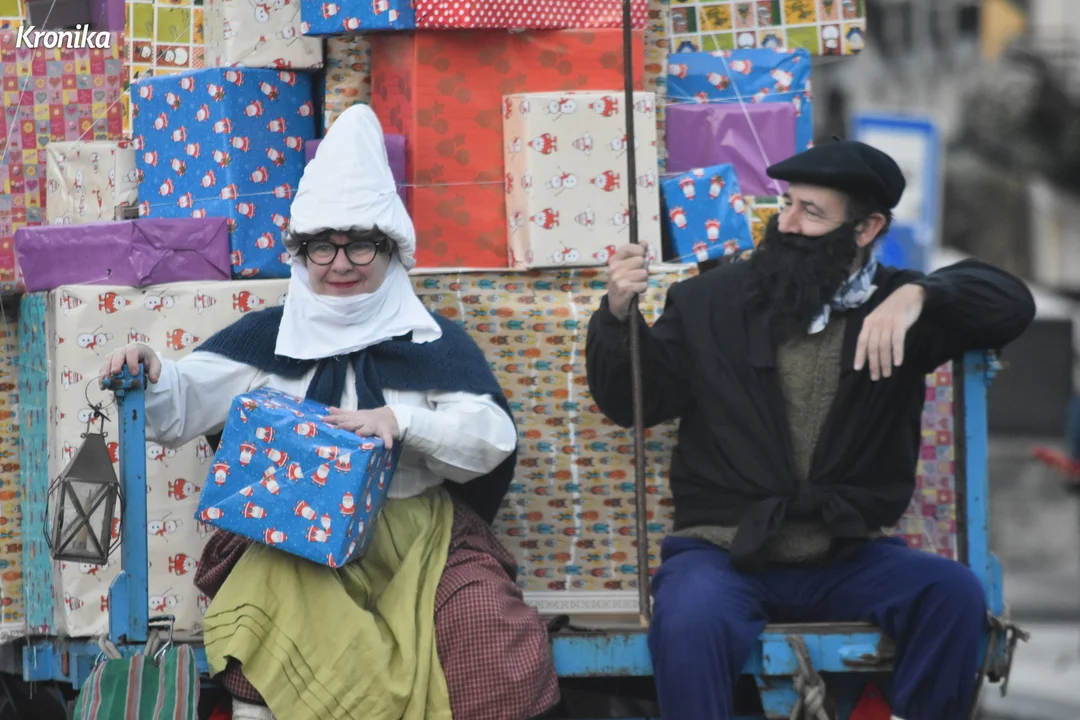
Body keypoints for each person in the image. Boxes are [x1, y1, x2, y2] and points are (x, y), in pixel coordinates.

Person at [100, 105, 559, 720]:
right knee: (264, 613)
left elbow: (491, 438)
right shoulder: (267, 338)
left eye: (360, 244)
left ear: (391, 249)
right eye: (322, 246)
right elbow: (180, 404)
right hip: (298, 541)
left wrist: (402, 423)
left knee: (486, 626)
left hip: (420, 542)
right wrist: (152, 369)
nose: (340, 264)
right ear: (301, 252)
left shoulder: (432, 343)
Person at [585, 139, 1036, 720]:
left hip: (845, 557)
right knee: (689, 616)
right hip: (724, 556)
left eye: (812, 212)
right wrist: (617, 315)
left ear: (867, 228)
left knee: (951, 592)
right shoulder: (708, 302)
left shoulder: (901, 310)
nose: (788, 223)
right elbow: (632, 401)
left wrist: (919, 293)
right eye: (788, 204)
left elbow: (1010, 304)